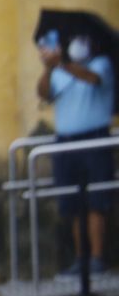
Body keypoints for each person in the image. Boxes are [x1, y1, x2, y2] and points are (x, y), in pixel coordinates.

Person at [36, 30, 116, 275]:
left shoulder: (102, 64)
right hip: (66, 142)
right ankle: (81, 259)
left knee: (96, 203)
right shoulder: (60, 71)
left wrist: (61, 64)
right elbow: (43, 93)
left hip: (94, 140)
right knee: (72, 204)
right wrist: (49, 69)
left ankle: (97, 257)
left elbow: (92, 79)